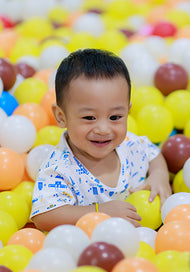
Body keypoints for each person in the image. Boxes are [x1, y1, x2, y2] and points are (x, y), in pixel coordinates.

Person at [31, 48, 172, 231]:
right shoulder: (59, 169)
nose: (103, 129)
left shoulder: (130, 144)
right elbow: (44, 216)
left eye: (115, 117)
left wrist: (159, 175)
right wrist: (99, 212)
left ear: (127, 111)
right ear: (61, 116)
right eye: (89, 118)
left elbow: (152, 153)